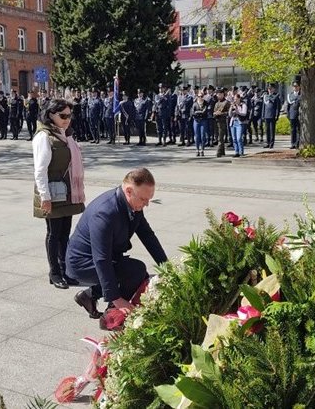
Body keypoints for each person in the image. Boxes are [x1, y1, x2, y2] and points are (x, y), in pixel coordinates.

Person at [66, 168, 167, 319]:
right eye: (143, 199)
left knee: (137, 273)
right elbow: (101, 258)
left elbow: (147, 236)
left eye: (149, 199)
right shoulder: (105, 212)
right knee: (135, 271)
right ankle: (112, 316)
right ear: (128, 191)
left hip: (105, 257)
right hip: (83, 263)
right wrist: (117, 299)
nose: (146, 204)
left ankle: (89, 296)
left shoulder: (133, 204)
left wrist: (167, 267)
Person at [33, 98, 85, 289]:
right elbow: (40, 170)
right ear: (50, 115)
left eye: (69, 116)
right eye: (62, 116)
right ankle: (54, 273)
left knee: (65, 234)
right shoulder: (44, 137)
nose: (67, 119)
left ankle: (65, 270)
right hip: (53, 192)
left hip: (67, 190)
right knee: (54, 234)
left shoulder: (66, 135)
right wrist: (44, 197)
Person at [262, 83, 281, 149]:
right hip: (266, 115)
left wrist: (276, 115)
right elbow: (264, 107)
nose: (269, 90)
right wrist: (263, 115)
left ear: (273, 89)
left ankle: (271, 143)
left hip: (272, 115)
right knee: (267, 130)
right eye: (268, 89)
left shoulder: (276, 96)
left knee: (272, 130)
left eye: (271, 88)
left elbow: (278, 107)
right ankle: (267, 142)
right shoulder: (266, 96)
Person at [229, 93, 248, 158]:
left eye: (236, 99)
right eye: (234, 99)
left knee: (239, 138)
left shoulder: (243, 105)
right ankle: (236, 152)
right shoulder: (233, 105)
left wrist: (237, 111)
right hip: (233, 122)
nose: (235, 100)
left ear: (239, 98)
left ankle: (241, 151)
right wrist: (231, 108)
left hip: (240, 122)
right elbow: (230, 115)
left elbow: (244, 113)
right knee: (234, 138)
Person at [213, 88, 231, 157]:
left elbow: (229, 113)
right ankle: (222, 151)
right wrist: (215, 113)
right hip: (217, 121)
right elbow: (214, 111)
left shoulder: (226, 102)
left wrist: (221, 113)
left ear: (223, 94)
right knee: (218, 136)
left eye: (220, 94)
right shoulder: (217, 103)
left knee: (220, 137)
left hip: (223, 121)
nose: (219, 96)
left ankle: (219, 151)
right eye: (218, 94)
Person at [191, 90, 208, 157]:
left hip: (203, 120)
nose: (200, 97)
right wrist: (199, 112)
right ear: (197, 96)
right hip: (196, 121)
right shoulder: (195, 103)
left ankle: (202, 149)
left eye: (202, 96)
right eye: (199, 96)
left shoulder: (206, 103)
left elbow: (205, 112)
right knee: (197, 136)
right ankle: (197, 149)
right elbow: (192, 113)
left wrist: (197, 112)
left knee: (203, 135)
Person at [286, 81, 301, 149]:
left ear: (299, 87)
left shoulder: (301, 95)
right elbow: (288, 106)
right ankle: (293, 143)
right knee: (293, 129)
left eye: (296, 86)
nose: (295, 88)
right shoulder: (290, 95)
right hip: (292, 114)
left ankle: (298, 143)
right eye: (294, 86)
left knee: (298, 129)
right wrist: (288, 114)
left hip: (299, 114)